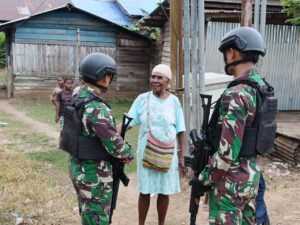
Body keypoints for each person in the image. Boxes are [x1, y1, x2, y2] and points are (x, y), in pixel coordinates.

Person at [190, 27, 272, 225]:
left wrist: (203, 180)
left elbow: (226, 153)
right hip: (250, 177)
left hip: (230, 185)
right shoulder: (260, 87)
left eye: (226, 53)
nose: (225, 58)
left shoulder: (237, 93)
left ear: (233, 52)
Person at [68, 52, 134, 225]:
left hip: (78, 168)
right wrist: (129, 152)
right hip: (94, 175)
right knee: (97, 219)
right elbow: (117, 147)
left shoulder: (77, 97)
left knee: (88, 215)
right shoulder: (96, 107)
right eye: (109, 76)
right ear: (104, 77)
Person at [125, 64, 187, 225]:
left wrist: (182, 157)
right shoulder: (142, 99)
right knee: (144, 191)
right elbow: (128, 123)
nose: (155, 80)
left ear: (168, 81)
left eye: (159, 77)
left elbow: (181, 131)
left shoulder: (174, 102)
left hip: (168, 154)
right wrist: (111, 134)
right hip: (146, 153)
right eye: (153, 76)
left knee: (164, 191)